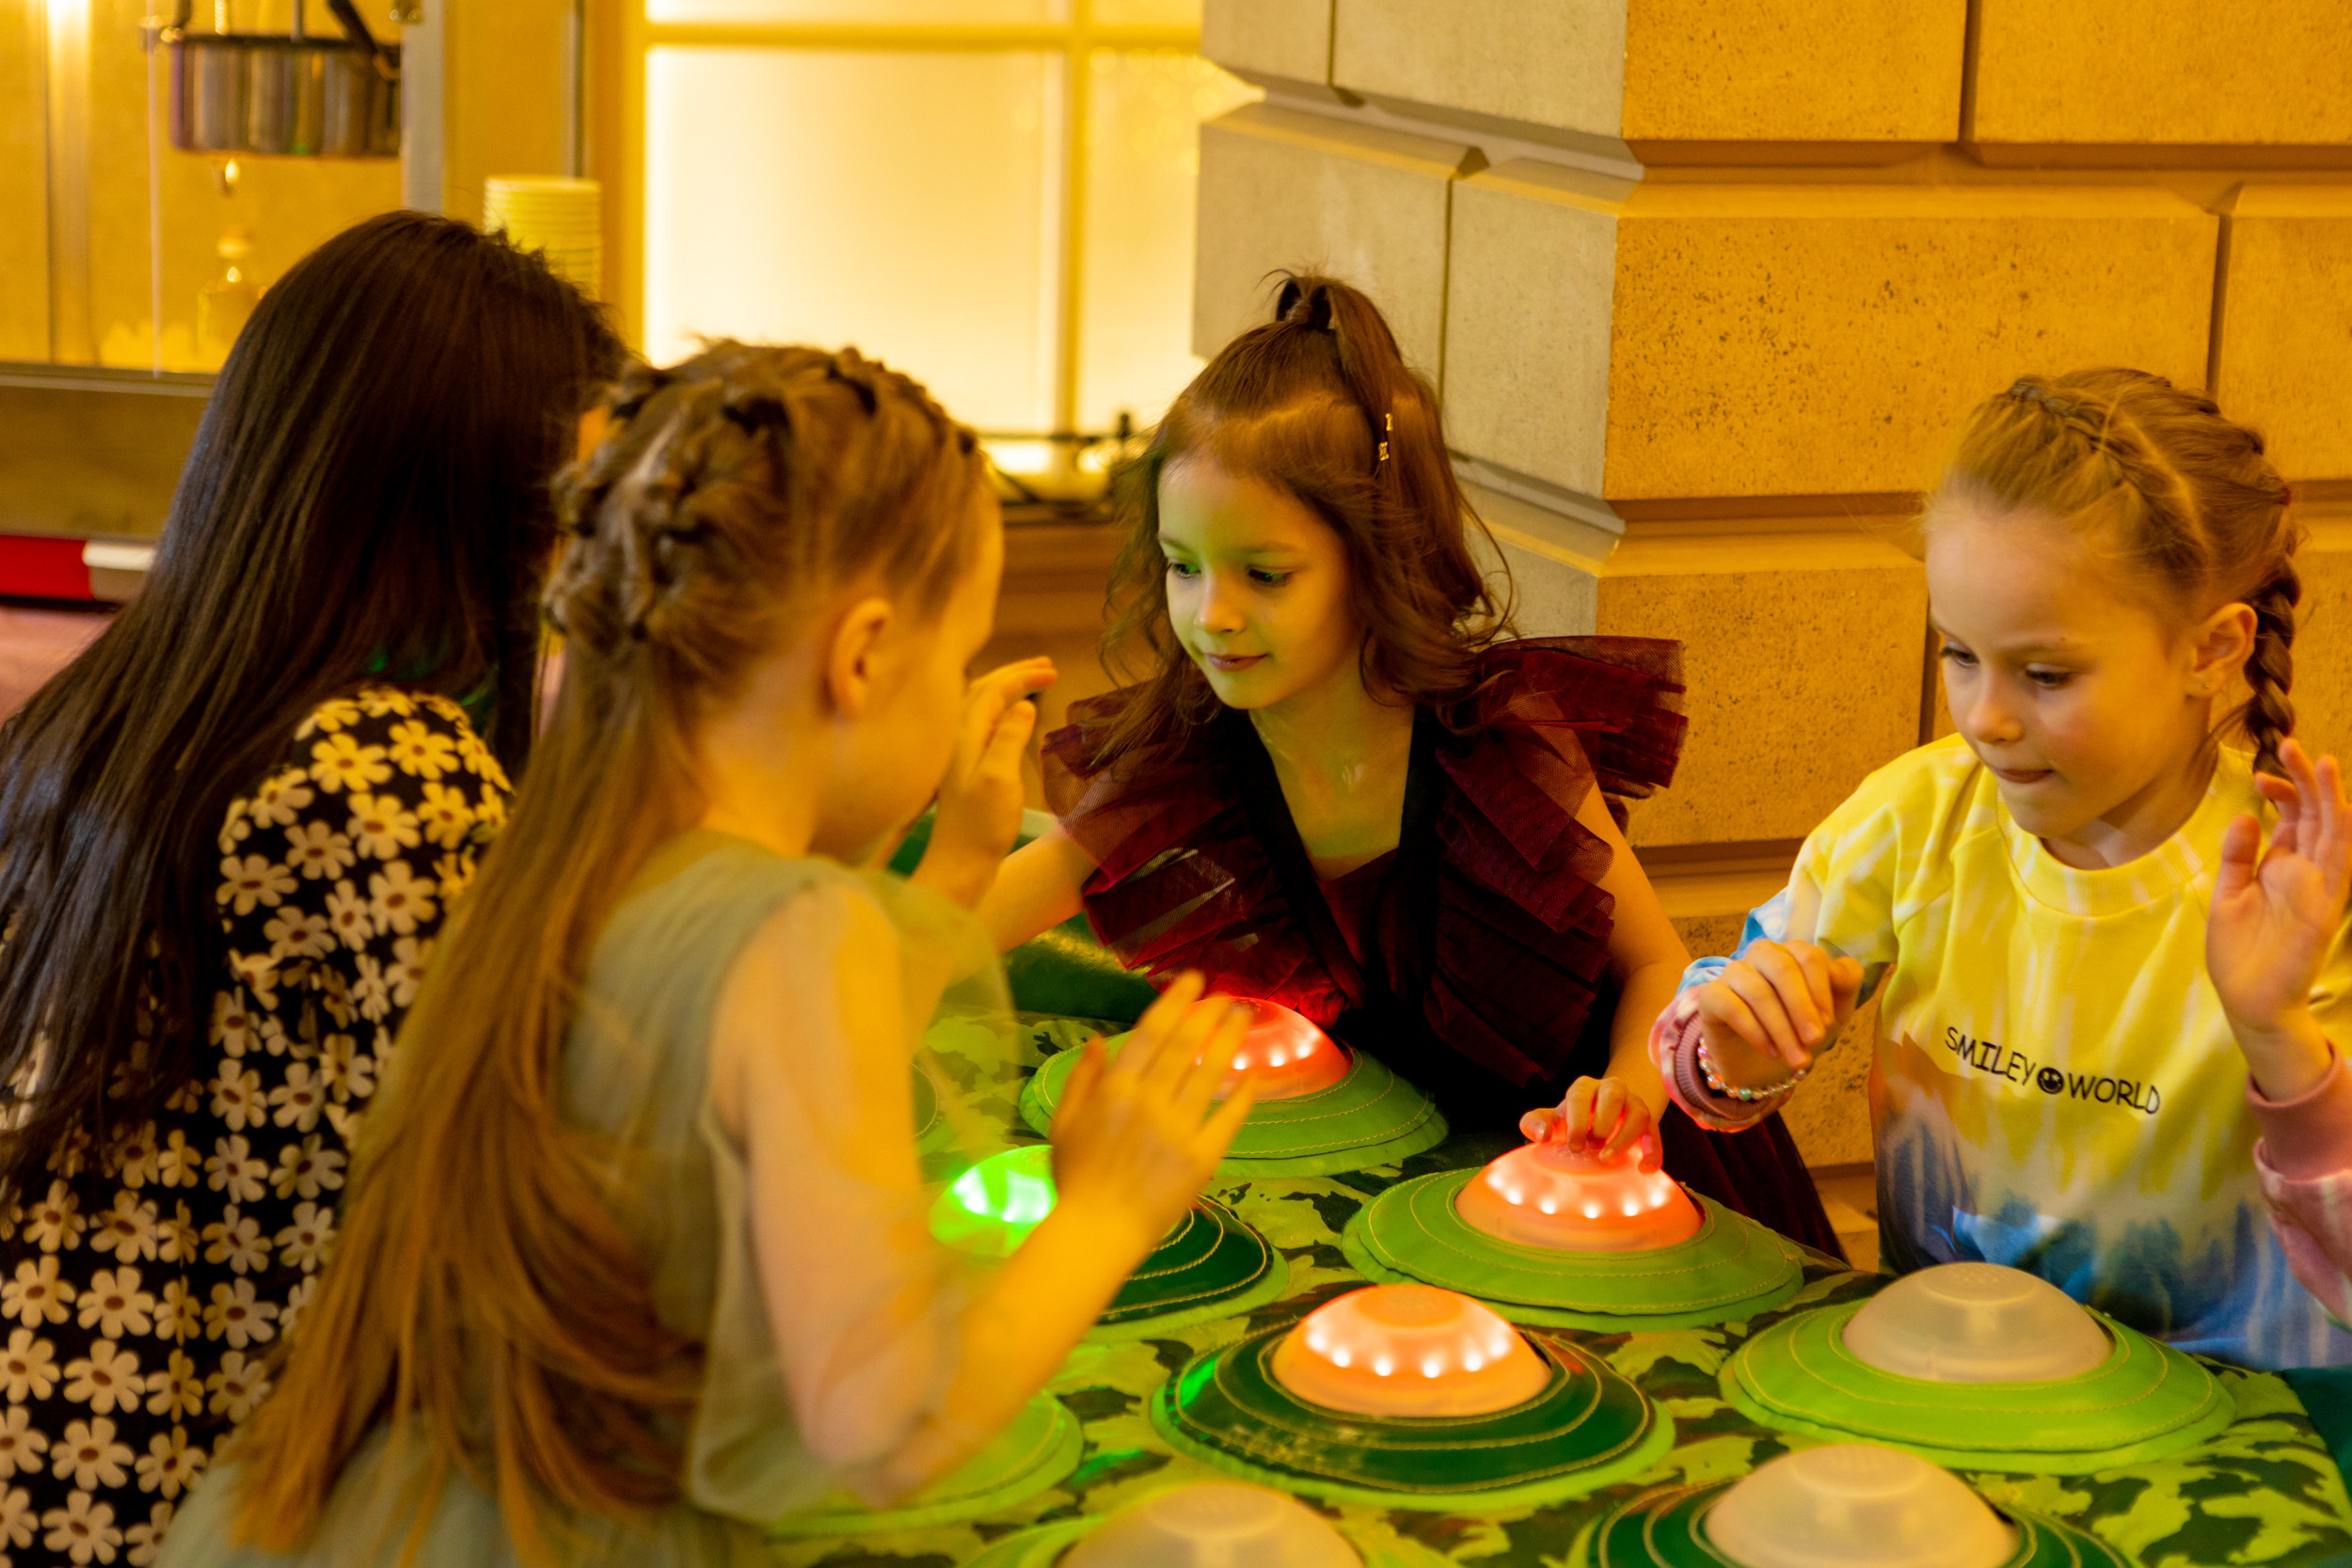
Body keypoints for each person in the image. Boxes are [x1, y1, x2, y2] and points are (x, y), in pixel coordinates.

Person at [162, 342, 1253, 1565]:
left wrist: (956, 864)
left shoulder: (555, 866)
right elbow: (884, 1421)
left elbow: (760, 1080)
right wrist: (1108, 1203)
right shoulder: (798, 932)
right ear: (862, 655)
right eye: (953, 659)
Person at [983, 275, 1838, 1256]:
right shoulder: (1194, 753)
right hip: (1412, 1189)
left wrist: (1628, 1094)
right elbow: (977, 918)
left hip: (1605, 1175)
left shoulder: (1495, 743)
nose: (1210, 614)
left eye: (1264, 574)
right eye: (1183, 565)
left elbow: (1654, 963)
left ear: (1377, 558)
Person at [0, 212, 620, 1561]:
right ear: (458, 499)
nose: (591, 557)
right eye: (575, 507)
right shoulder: (385, 766)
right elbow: (497, 1172)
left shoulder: (107, 711)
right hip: (207, 1492)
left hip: (54, 1451)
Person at [1654, 369, 2352, 1370]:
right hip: (1958, 1390)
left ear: (2211, 649)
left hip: (2241, 1437)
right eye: (1959, 654)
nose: (1985, 716)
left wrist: (2277, 1037)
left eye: (2046, 673)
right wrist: (1736, 1047)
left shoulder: (2302, 891)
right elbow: (1708, 1047)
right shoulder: (1914, 818)